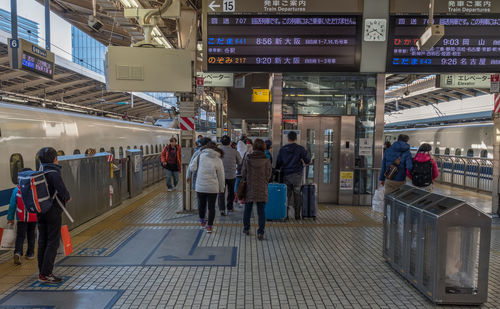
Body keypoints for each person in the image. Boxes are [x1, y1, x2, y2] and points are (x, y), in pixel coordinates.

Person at [36, 147, 71, 284]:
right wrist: (67, 197)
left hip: (41, 210)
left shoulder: (39, 171)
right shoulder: (54, 172)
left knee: (42, 241)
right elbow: (62, 191)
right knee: (53, 242)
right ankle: (47, 274)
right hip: (53, 211)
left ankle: (42, 272)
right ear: (55, 158)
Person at [188, 142, 225, 233]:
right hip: (213, 187)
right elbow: (221, 176)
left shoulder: (200, 156)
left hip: (200, 186)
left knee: (201, 205)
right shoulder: (218, 159)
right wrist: (221, 188)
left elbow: (192, 168)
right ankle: (209, 226)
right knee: (211, 207)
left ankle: (202, 222)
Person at [242, 139, 272, 240]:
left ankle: (246, 229)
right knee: (261, 211)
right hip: (262, 187)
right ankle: (260, 232)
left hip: (250, 187)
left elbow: (243, 173)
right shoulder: (267, 160)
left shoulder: (248, 158)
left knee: (248, 209)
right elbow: (269, 175)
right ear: (263, 147)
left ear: (254, 147)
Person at [276, 131, 311, 220]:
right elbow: (307, 160)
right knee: (297, 195)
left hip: (286, 175)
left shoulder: (282, 149)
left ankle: (286, 215)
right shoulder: (300, 149)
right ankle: (297, 216)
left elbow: (278, 163)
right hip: (297, 175)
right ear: (296, 138)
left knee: (286, 195)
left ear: (287, 138)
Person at [7, 168, 37, 265]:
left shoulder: (17, 189)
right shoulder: (34, 188)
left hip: (21, 218)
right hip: (33, 217)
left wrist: (10, 218)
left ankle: (18, 252)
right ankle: (30, 253)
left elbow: (12, 205)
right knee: (31, 234)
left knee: (20, 236)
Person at [219, 136, 242, 215]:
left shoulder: (218, 152)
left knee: (221, 192)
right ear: (230, 143)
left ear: (221, 142)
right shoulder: (234, 151)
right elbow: (240, 162)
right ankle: (230, 207)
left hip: (221, 175)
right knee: (231, 192)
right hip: (232, 175)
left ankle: (222, 209)